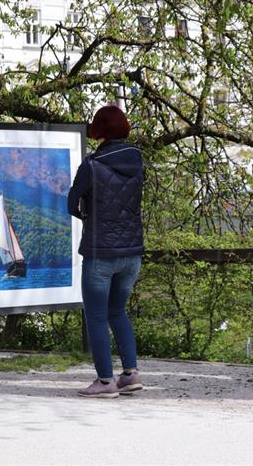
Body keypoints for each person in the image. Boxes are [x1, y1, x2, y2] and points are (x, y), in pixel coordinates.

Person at [68, 104, 144, 398]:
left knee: (97, 316)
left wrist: (89, 215)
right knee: (118, 311)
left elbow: (71, 205)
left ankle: (103, 382)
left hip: (101, 252)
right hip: (132, 252)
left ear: (99, 130)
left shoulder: (91, 165)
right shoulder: (137, 159)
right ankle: (130, 374)